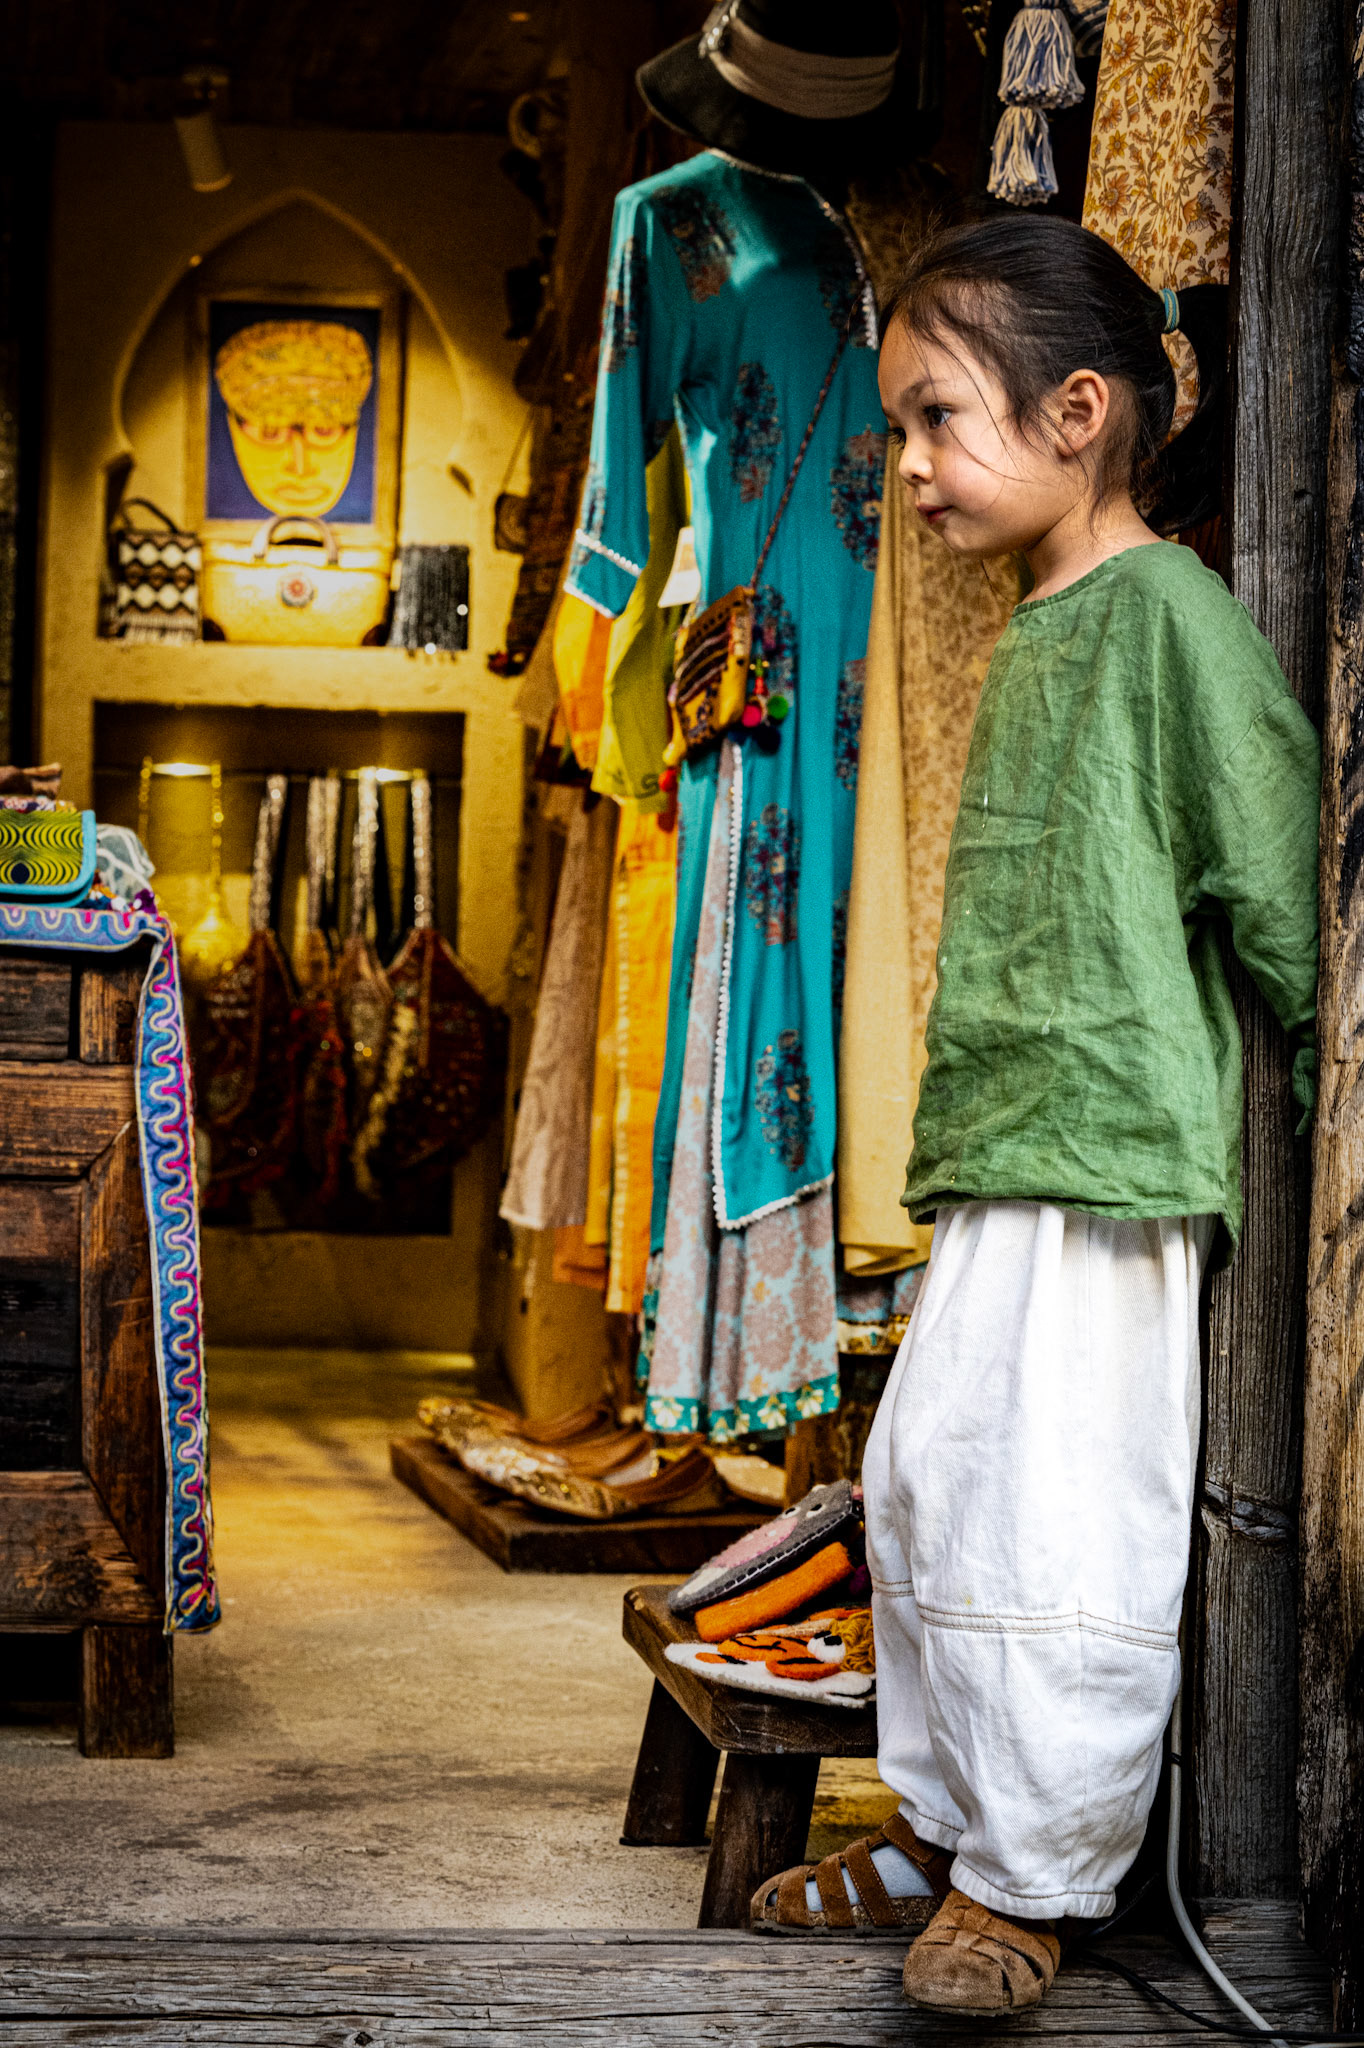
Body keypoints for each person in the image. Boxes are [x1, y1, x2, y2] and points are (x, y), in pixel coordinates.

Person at [749, 215, 1321, 2015]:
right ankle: (940, 1826)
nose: (908, 463)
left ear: (1078, 412)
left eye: (936, 419)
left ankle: (1028, 1882)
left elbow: (1286, 894)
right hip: (1008, 1155)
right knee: (929, 1490)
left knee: (1053, 1524)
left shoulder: (1171, 621)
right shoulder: (1041, 616)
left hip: (1113, 1171)